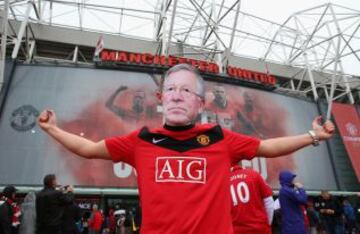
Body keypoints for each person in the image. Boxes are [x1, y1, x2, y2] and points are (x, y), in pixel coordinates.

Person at [37, 63, 335, 234]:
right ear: (160, 98)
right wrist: (52, 128)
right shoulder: (141, 141)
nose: (177, 96)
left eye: (187, 90)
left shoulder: (220, 139)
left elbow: (268, 147)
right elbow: (88, 149)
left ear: (201, 102)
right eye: (170, 89)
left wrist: (313, 134)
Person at [230, 165, 274, 234]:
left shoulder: (224, 182)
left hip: (237, 231)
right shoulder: (254, 175)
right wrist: (267, 223)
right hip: (260, 229)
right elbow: (269, 202)